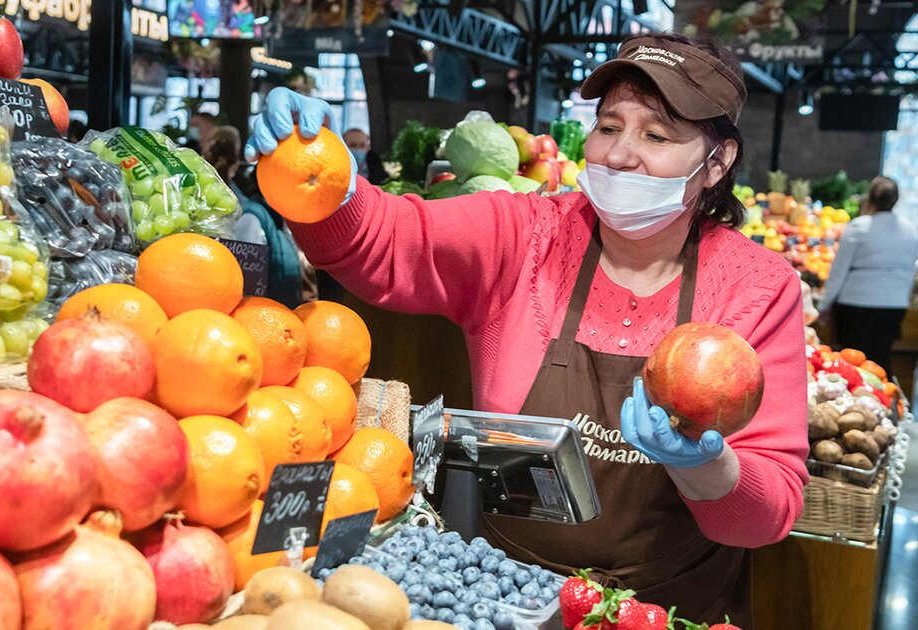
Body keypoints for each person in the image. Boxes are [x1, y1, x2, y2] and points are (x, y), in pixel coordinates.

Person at [245, 33, 807, 625]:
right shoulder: (525, 237)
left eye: (657, 136)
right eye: (609, 127)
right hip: (500, 598)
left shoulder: (756, 288)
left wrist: (703, 465)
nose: (618, 155)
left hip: (667, 610)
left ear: (716, 163)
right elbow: (381, 240)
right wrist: (320, 175)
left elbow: (767, 515)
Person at [205, 125, 315, 307]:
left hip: (266, 317)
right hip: (262, 318)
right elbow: (247, 284)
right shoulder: (250, 215)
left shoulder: (257, 214)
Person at [819, 176, 918, 368]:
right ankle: (883, 396)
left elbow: (839, 271)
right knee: (881, 361)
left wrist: (824, 305)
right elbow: (909, 271)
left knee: (851, 362)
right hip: (894, 305)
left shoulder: (858, 227)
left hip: (856, 304)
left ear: (870, 198)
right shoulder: (911, 230)